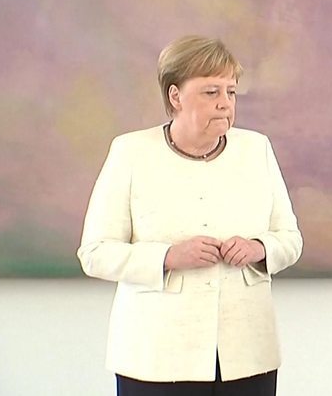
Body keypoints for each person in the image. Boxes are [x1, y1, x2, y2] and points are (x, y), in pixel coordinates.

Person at [77, 35, 303, 396]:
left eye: (231, 92)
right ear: (175, 96)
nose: (225, 103)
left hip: (247, 355)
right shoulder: (131, 152)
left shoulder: (257, 149)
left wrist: (260, 248)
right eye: (211, 92)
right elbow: (95, 253)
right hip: (155, 359)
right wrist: (168, 257)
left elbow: (290, 239)